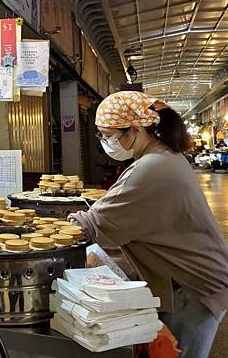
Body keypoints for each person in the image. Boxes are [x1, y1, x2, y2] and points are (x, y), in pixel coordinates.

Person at [69, 91, 228, 358]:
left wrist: (64, 224)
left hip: (195, 288)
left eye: (108, 135)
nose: (105, 142)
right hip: (195, 279)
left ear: (135, 129)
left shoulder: (152, 168)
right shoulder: (162, 156)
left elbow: (96, 223)